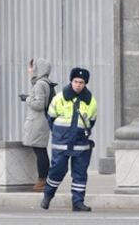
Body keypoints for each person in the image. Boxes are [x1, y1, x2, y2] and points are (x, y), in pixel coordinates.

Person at [41, 67, 97, 212]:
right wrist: (59, 134)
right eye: (75, 81)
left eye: (81, 82)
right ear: (71, 81)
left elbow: (91, 121)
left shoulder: (91, 101)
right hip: (62, 142)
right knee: (57, 170)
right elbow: (51, 118)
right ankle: (47, 195)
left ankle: (78, 203)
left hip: (80, 144)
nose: (78, 84)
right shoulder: (59, 98)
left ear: (85, 84)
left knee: (80, 173)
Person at [20, 58, 56, 192]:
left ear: (38, 68)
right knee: (40, 150)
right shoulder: (46, 83)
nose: (30, 70)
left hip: (37, 122)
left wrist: (27, 99)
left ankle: (42, 181)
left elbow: (40, 104)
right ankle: (43, 180)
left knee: (40, 151)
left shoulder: (40, 84)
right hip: (41, 121)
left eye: (31, 67)